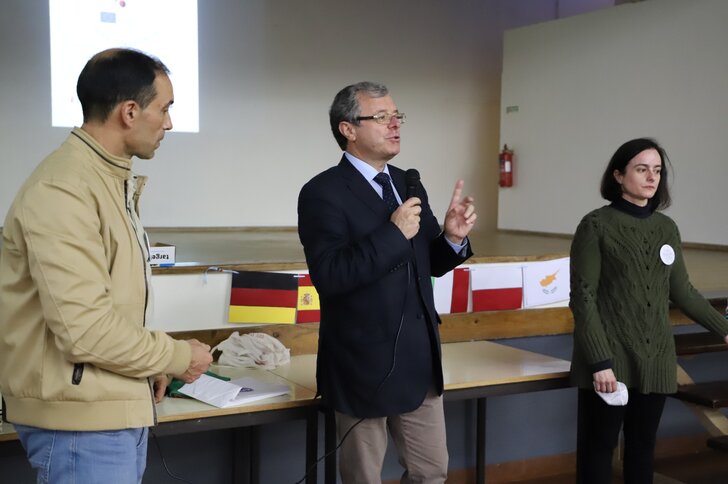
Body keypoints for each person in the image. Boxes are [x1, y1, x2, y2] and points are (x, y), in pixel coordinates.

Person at [0, 48, 213, 483]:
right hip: (81, 424)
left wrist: (151, 363)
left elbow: (110, 308)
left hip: (105, 410)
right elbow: (85, 330)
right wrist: (176, 355)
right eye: (164, 109)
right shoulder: (64, 189)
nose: (170, 123)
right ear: (129, 112)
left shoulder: (104, 180)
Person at [297, 81, 477, 483]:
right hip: (360, 364)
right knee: (363, 478)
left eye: (397, 116)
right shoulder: (322, 192)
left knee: (432, 472)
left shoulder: (407, 182)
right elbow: (331, 275)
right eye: (381, 117)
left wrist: (452, 238)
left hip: (418, 361)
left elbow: (427, 263)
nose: (395, 125)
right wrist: (393, 235)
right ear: (348, 129)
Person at [569, 137, 728, 484]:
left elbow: (684, 292)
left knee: (642, 450)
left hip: (656, 358)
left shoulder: (666, 228)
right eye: (642, 169)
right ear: (618, 175)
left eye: (657, 170)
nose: (652, 177)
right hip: (609, 361)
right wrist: (600, 362)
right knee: (598, 450)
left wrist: (724, 328)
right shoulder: (596, 225)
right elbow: (583, 297)